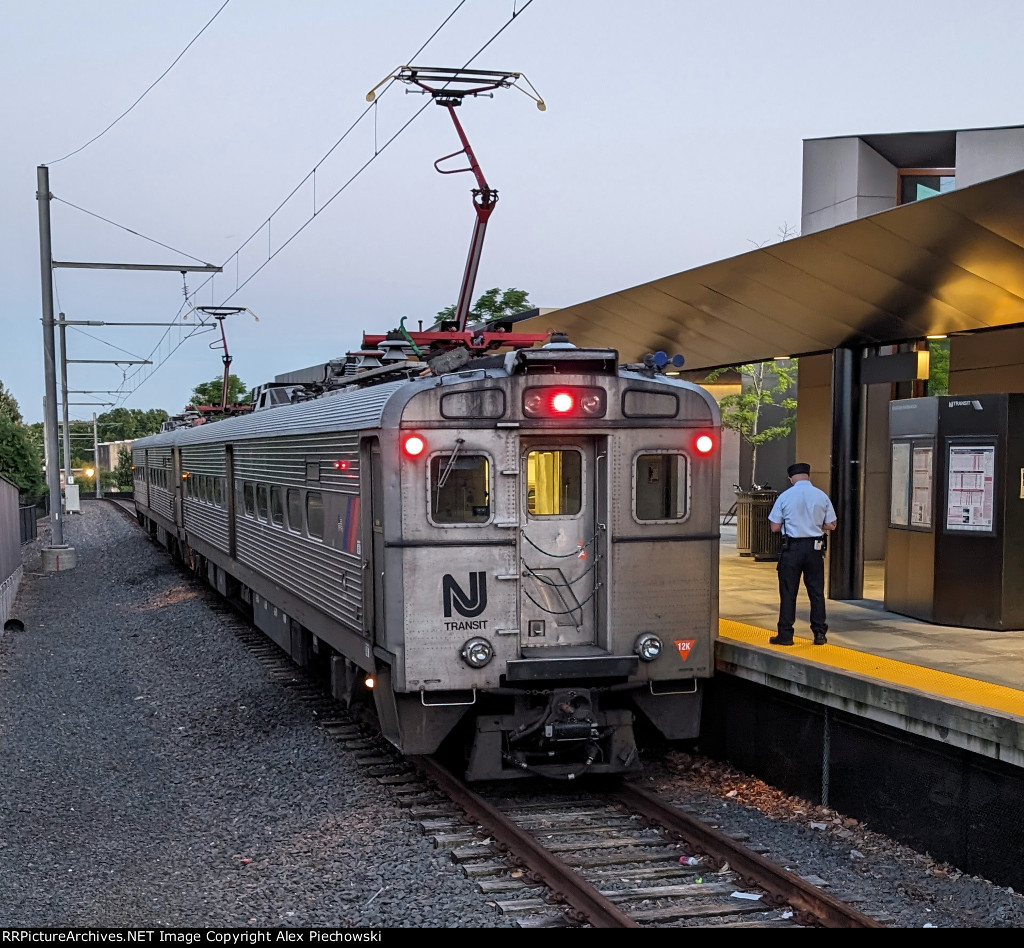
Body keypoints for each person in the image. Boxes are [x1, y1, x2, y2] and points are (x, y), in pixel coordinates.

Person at [767, 462, 837, 646]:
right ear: (808, 476)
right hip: (814, 548)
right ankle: (819, 634)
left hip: (792, 549)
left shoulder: (785, 496)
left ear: (791, 479)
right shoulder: (821, 496)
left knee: (789, 592)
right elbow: (832, 524)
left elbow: (774, 526)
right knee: (816, 593)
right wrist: (814, 526)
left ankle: (786, 635)